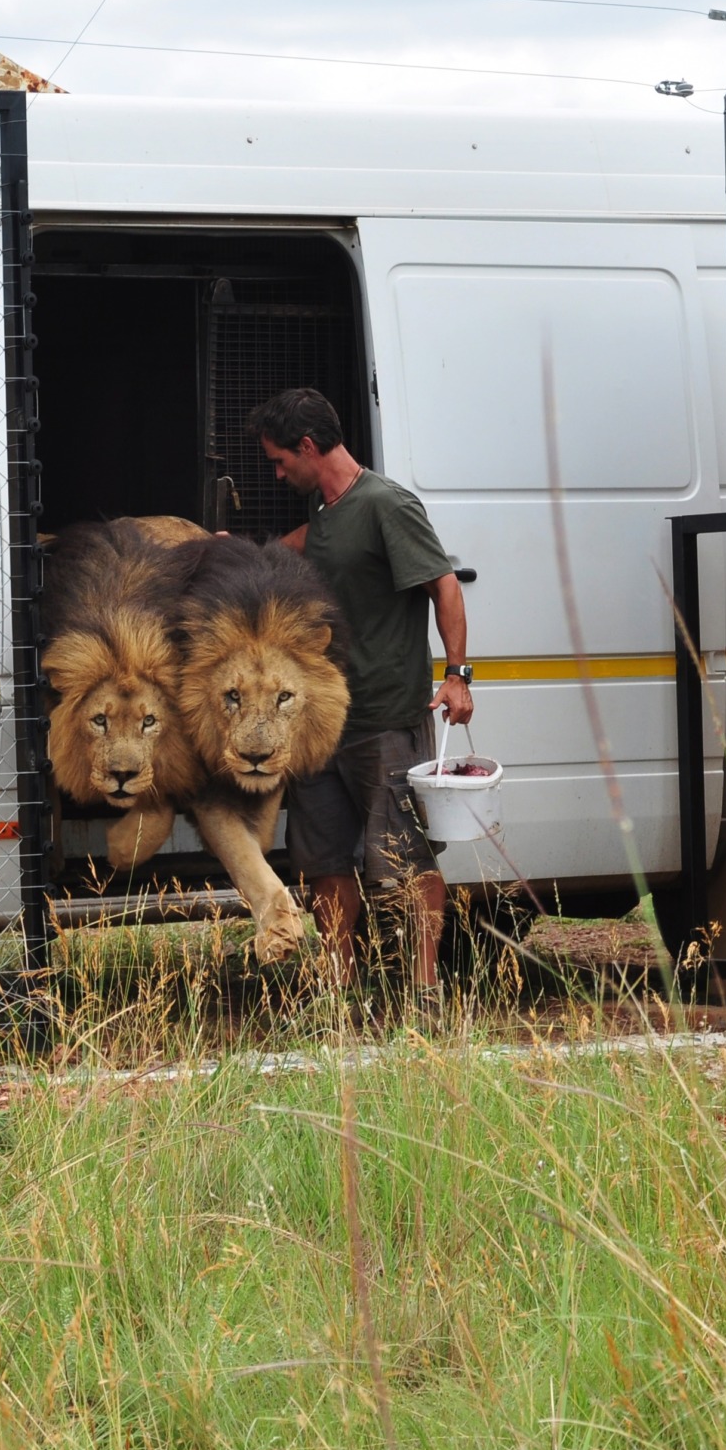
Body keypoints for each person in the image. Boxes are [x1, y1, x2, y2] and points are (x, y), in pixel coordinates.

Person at [250, 387, 475, 994]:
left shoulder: (386, 503)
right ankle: (341, 991)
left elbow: (445, 586)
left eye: (279, 460)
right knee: (323, 862)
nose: (277, 472)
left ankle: (426, 992)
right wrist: (241, 551)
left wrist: (457, 675)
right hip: (321, 726)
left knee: (402, 861)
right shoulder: (328, 511)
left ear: (306, 446)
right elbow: (315, 543)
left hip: (383, 717)